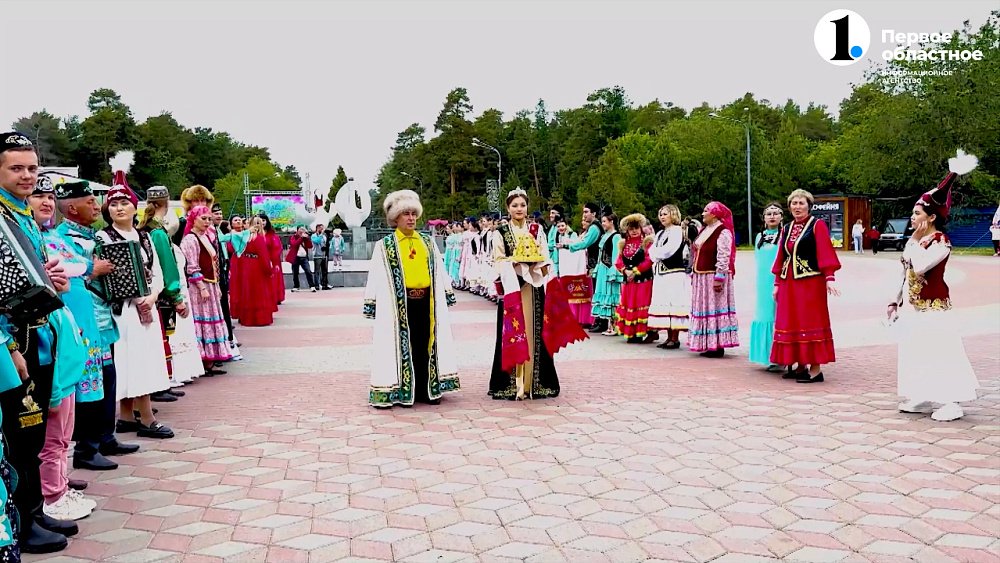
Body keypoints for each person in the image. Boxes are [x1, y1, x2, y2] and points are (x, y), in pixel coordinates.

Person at [0, 132, 92, 555]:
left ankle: (35, 511)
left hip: (39, 331)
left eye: (32, 168)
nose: (26, 176)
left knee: (34, 431)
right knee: (19, 432)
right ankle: (22, 521)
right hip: (13, 339)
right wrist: (8, 346)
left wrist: (52, 280)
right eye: (15, 168)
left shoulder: (21, 215)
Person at [55, 181, 140, 473]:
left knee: (107, 377)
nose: (96, 207)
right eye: (90, 202)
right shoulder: (61, 237)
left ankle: (105, 436)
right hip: (84, 323)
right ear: (71, 208)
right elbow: (70, 269)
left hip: (102, 319)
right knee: (90, 386)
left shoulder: (93, 235)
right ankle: (86, 448)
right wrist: (93, 268)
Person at [28, 179, 100, 522]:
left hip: (64, 338)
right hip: (38, 344)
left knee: (63, 424)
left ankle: (59, 484)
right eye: (37, 195)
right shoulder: (28, 236)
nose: (44, 201)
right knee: (50, 426)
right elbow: (77, 267)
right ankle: (51, 494)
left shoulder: (47, 236)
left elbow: (68, 271)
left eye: (48, 196)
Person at [892, 153, 980, 421]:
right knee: (914, 349)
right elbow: (906, 273)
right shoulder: (915, 240)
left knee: (939, 349)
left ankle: (950, 400)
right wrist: (895, 301)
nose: (912, 217)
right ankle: (921, 393)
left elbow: (920, 267)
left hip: (934, 308)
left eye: (917, 213)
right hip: (913, 308)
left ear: (930, 217)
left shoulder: (940, 241)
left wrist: (916, 240)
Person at [363, 190, 460, 407]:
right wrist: (372, 303)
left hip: (427, 303)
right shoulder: (384, 246)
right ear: (395, 218)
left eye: (413, 213)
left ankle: (427, 389)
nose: (411, 218)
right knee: (403, 346)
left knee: (426, 344)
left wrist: (446, 293)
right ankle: (404, 389)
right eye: (405, 214)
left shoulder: (427, 242)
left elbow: (440, 271)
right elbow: (376, 277)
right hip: (399, 306)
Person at [97, 177, 176, 439]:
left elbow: (158, 273)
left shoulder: (144, 237)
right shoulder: (103, 237)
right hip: (120, 311)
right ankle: (144, 418)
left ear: (134, 207)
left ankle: (130, 416)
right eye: (114, 204)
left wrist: (153, 296)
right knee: (129, 360)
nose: (119, 208)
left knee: (146, 357)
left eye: (124, 203)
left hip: (146, 307)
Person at [489, 188, 586, 400]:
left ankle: (536, 382)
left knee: (535, 332)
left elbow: (544, 255)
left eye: (522, 205)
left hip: (533, 289)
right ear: (508, 208)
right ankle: (511, 384)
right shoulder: (500, 233)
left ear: (527, 207)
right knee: (512, 332)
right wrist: (514, 263)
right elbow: (497, 260)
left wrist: (535, 263)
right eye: (514, 205)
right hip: (513, 290)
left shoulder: (536, 230)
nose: (519, 209)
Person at [771, 189, 841, 382]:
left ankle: (816, 369)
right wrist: (777, 283)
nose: (797, 207)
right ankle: (799, 365)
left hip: (810, 282)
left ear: (809, 206)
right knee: (791, 320)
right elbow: (781, 257)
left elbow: (825, 251)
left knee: (810, 321)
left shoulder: (817, 225)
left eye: (801, 203)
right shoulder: (786, 228)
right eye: (794, 203)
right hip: (788, 282)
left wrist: (830, 278)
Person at [140, 187, 189, 402]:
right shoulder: (157, 232)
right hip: (160, 294)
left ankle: (161, 382)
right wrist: (175, 296)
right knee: (161, 338)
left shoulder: (146, 228)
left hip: (154, 293)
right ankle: (158, 385)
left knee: (160, 338)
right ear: (166, 203)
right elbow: (166, 265)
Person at [181, 206, 233, 374]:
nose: (207, 222)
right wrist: (202, 287)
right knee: (202, 320)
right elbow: (191, 266)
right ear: (193, 219)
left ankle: (210, 359)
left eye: (209, 219)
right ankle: (203, 359)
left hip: (210, 284)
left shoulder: (205, 237)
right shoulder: (190, 239)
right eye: (203, 218)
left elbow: (213, 264)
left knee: (212, 319)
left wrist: (216, 286)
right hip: (198, 287)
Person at [688, 201, 740, 358]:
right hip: (702, 275)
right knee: (704, 307)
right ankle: (707, 342)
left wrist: (720, 276)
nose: (703, 214)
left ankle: (717, 345)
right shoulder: (705, 230)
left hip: (713, 275)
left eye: (706, 211)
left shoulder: (722, 231)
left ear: (715, 214)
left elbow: (724, 254)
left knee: (715, 306)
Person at [648, 204, 692, 350]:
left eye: (665, 214)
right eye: (660, 214)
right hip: (661, 273)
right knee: (665, 304)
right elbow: (652, 250)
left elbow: (669, 250)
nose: (662, 217)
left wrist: (656, 253)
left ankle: (675, 337)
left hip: (674, 272)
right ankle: (668, 336)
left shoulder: (677, 231)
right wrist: (655, 253)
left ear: (673, 214)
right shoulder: (660, 233)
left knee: (674, 303)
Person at [749, 203, 784, 369]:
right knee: (764, 315)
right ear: (764, 218)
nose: (772, 216)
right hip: (763, 282)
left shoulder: (784, 235)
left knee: (777, 314)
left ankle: (781, 356)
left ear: (782, 217)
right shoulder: (759, 237)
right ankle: (767, 356)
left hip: (779, 281)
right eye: (769, 213)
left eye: (776, 213)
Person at [615, 213, 656, 343]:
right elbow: (618, 261)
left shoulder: (646, 243)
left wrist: (635, 271)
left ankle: (642, 333)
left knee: (641, 305)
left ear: (641, 229)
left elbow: (649, 260)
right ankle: (631, 333)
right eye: (631, 229)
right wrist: (625, 271)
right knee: (629, 305)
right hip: (629, 282)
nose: (634, 231)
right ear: (627, 230)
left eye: (636, 228)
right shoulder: (623, 244)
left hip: (643, 281)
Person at [233, 217, 274, 326]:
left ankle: (246, 318)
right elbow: (264, 257)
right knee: (259, 292)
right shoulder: (260, 239)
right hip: (257, 266)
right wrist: (269, 271)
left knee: (247, 292)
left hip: (245, 265)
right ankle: (260, 318)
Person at [590, 212, 622, 335]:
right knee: (603, 293)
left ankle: (614, 326)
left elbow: (616, 254)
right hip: (603, 268)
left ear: (611, 222)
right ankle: (608, 325)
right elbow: (600, 254)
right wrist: (597, 267)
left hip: (609, 268)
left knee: (611, 294)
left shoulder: (616, 236)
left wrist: (614, 270)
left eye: (604, 221)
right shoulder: (605, 235)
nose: (602, 223)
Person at [261, 214, 285, 308]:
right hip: (260, 260)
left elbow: (278, 248)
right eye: (260, 220)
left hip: (272, 260)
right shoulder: (254, 234)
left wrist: (271, 259)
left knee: (274, 279)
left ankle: (276, 297)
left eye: (264, 220)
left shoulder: (272, 235)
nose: (262, 223)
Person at [286, 225, 317, 292]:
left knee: (308, 271)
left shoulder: (305, 238)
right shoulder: (293, 237)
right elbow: (294, 244)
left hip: (304, 257)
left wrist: (307, 238)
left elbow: (310, 246)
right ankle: (296, 286)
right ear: (297, 230)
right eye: (301, 229)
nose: (302, 231)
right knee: (295, 272)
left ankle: (312, 286)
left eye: (303, 229)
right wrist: (301, 238)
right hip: (295, 257)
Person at [311, 224, 331, 289]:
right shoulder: (313, 236)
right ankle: (317, 285)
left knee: (324, 271)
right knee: (317, 271)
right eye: (321, 228)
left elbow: (324, 244)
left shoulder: (324, 236)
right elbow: (317, 241)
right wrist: (321, 234)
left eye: (323, 228)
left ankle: (324, 284)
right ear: (317, 228)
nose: (322, 230)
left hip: (323, 255)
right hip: (317, 255)